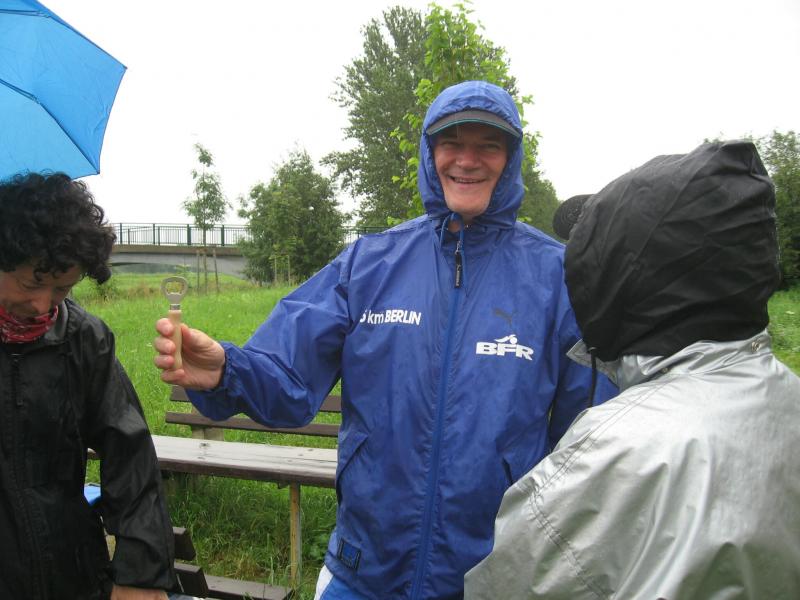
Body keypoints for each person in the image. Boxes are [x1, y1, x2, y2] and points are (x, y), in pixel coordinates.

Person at [153, 80, 615, 599]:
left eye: (488, 145)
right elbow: (288, 377)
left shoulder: (557, 279)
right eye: (451, 142)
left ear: (511, 158)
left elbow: (591, 436)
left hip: (493, 579)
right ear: (429, 153)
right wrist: (225, 371)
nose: (467, 160)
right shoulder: (369, 264)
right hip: (363, 572)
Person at [464, 140, 800, 598]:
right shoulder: (787, 397)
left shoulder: (613, 454)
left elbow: (505, 588)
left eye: (601, 245)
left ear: (632, 276)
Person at [0, 173, 176, 600]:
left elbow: (130, 456)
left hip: (72, 575)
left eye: (62, 288)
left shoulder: (84, 339)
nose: (43, 305)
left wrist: (140, 576)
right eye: (32, 283)